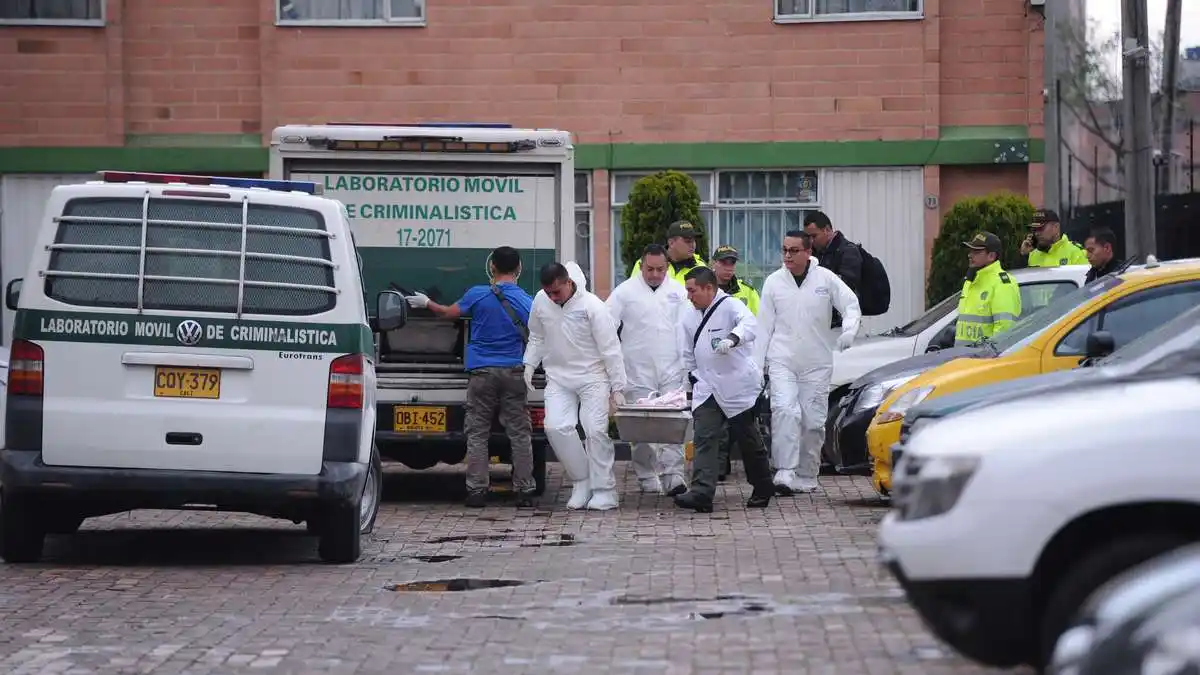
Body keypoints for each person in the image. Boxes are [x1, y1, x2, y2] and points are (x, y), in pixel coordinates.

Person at [403, 246, 536, 508]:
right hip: (514, 371)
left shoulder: (477, 295)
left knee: (478, 433)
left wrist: (425, 302)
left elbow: (446, 312)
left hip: (482, 373)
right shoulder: (526, 300)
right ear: (519, 269)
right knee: (520, 434)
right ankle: (525, 490)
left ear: (492, 268)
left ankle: (477, 491)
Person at [755, 231, 861, 495]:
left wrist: (849, 330)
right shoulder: (774, 283)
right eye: (784, 250)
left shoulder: (826, 279)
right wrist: (757, 366)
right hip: (782, 361)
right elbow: (763, 327)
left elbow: (850, 305)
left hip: (817, 362)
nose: (788, 256)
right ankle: (784, 470)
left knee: (813, 422)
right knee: (785, 411)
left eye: (794, 251)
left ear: (808, 252)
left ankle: (806, 473)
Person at [523, 261, 628, 511]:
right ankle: (582, 480)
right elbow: (537, 335)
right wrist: (529, 363)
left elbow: (610, 348)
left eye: (556, 292)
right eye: (548, 293)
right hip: (558, 376)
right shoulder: (541, 300)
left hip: (593, 376)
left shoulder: (593, 306)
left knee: (595, 430)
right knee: (555, 427)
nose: (552, 297)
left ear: (569, 282)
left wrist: (618, 386)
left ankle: (605, 490)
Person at [673, 267, 774, 513]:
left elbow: (750, 324)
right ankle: (701, 493)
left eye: (692, 290)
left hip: (736, 385)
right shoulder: (688, 316)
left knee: (747, 438)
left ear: (709, 288)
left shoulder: (730, 306)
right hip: (707, 386)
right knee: (705, 437)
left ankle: (762, 486)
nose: (689, 296)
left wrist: (733, 338)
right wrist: (689, 384)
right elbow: (687, 353)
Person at [606, 244, 689, 496]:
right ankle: (646, 474)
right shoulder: (624, 292)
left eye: (660, 269)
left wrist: (687, 366)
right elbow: (606, 327)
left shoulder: (678, 292)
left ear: (668, 268)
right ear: (641, 267)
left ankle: (674, 474)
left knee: (674, 423)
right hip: (637, 368)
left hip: (672, 367)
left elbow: (687, 329)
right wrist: (613, 370)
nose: (655, 274)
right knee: (641, 426)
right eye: (650, 269)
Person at [709, 244, 760, 482]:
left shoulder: (747, 293)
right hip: (712, 360)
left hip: (739, 361)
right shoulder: (705, 290)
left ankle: (750, 468)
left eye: (731, 263)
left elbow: (758, 325)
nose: (728, 268)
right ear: (714, 264)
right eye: (723, 262)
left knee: (740, 416)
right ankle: (718, 465)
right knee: (715, 415)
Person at [955, 232, 1023, 347]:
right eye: (970, 251)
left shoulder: (1002, 283)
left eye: (976, 252)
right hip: (963, 359)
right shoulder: (970, 281)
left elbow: (1004, 329)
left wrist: (988, 358)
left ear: (991, 256)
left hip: (984, 360)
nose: (970, 255)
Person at [803, 210, 862, 330]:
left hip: (840, 325)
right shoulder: (814, 254)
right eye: (808, 237)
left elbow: (845, 287)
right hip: (818, 324)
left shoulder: (848, 252)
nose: (811, 241)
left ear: (827, 230)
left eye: (814, 236)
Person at [628, 220, 707, 285]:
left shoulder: (701, 267)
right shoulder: (646, 263)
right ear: (671, 243)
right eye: (688, 241)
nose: (693, 245)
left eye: (694, 241)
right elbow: (633, 292)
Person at [1020, 208, 1089, 267]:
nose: (1037, 233)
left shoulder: (1076, 253)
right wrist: (1024, 256)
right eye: (1034, 229)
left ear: (1056, 227)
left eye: (1041, 228)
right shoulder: (1033, 254)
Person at [710, 245, 760, 314]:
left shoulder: (749, 292)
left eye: (732, 262)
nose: (728, 268)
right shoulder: (703, 289)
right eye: (723, 262)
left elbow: (758, 321)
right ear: (713, 263)